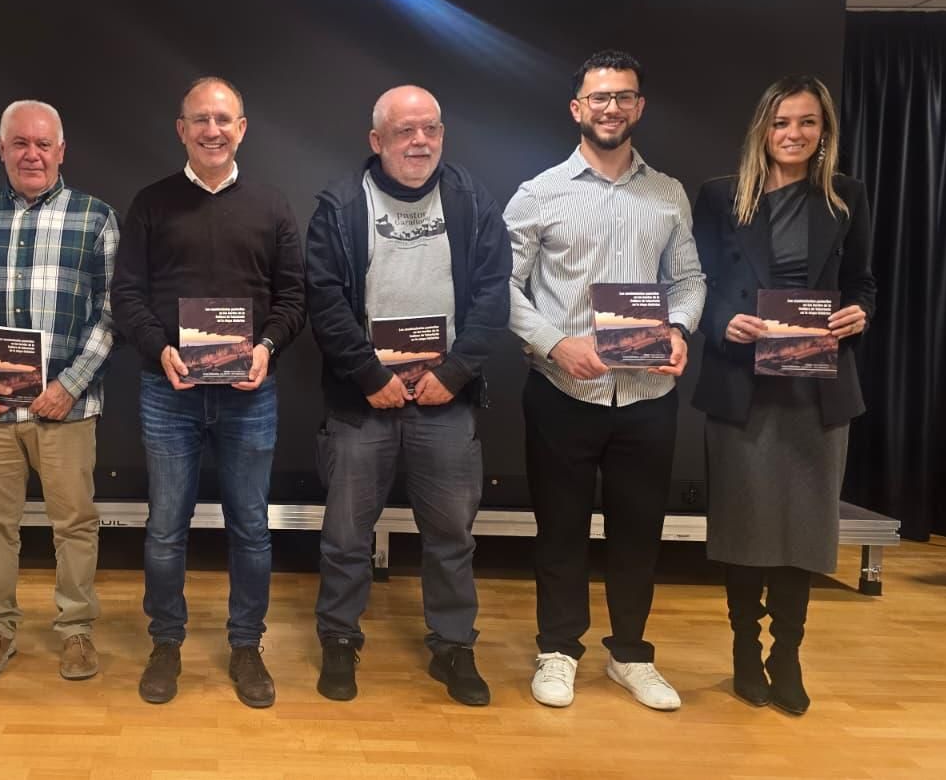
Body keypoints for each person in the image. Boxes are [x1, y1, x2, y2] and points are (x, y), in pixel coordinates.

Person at [504, 49, 705, 712]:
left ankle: (630, 655)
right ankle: (559, 649)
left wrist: (677, 329)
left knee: (638, 531)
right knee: (559, 529)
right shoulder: (538, 194)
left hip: (648, 397)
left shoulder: (667, 193)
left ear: (638, 107)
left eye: (623, 96)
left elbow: (689, 279)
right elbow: (498, 286)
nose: (611, 107)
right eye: (599, 97)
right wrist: (554, 343)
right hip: (565, 392)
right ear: (577, 109)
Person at [305, 86, 511, 705]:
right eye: (404, 132)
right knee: (345, 536)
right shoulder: (340, 206)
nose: (418, 142)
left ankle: (453, 646)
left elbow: (493, 295)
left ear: (442, 135)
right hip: (362, 400)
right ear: (378, 141)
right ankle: (340, 640)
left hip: (446, 399)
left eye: (429, 130)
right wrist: (371, 376)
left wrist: (455, 372)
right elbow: (324, 301)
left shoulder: (473, 202)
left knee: (452, 536)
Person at [111, 76, 306, 708]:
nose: (212, 130)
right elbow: (128, 296)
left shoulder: (273, 206)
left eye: (224, 119)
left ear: (242, 128)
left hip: (250, 393)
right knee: (166, 527)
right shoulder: (150, 203)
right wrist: (157, 348)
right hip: (168, 389)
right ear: (181, 129)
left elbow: (294, 297)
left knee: (251, 526)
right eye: (200, 119)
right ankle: (166, 642)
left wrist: (267, 347)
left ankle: (246, 645)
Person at [692, 75, 874, 716]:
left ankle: (787, 655)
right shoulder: (719, 197)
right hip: (743, 385)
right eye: (781, 123)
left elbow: (863, 284)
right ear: (761, 129)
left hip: (817, 389)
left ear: (824, 132)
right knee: (744, 528)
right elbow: (696, 283)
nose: (793, 135)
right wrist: (722, 322)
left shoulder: (845, 197)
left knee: (803, 530)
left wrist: (858, 313)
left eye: (807, 123)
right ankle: (745, 652)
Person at [0, 100, 117, 682]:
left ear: (61, 151)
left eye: (43, 144)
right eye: (20, 143)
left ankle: (76, 631)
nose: (32, 154)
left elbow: (112, 313)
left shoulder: (95, 218)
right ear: (1, 148)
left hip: (66, 406)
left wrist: (69, 385)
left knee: (75, 524)